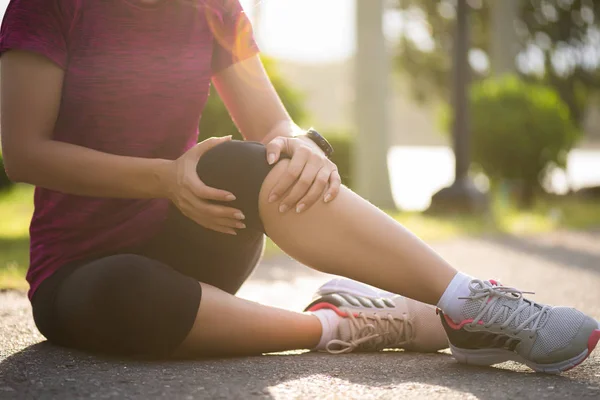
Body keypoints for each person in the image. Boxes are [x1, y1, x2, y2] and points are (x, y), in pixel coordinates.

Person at [0, 0, 598, 374]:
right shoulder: (49, 5)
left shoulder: (214, 8)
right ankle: (346, 325)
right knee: (136, 289)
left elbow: (271, 125)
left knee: (251, 160)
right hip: (80, 276)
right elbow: (24, 152)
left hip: (201, 236)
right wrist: (165, 178)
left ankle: (471, 303)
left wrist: (301, 147)